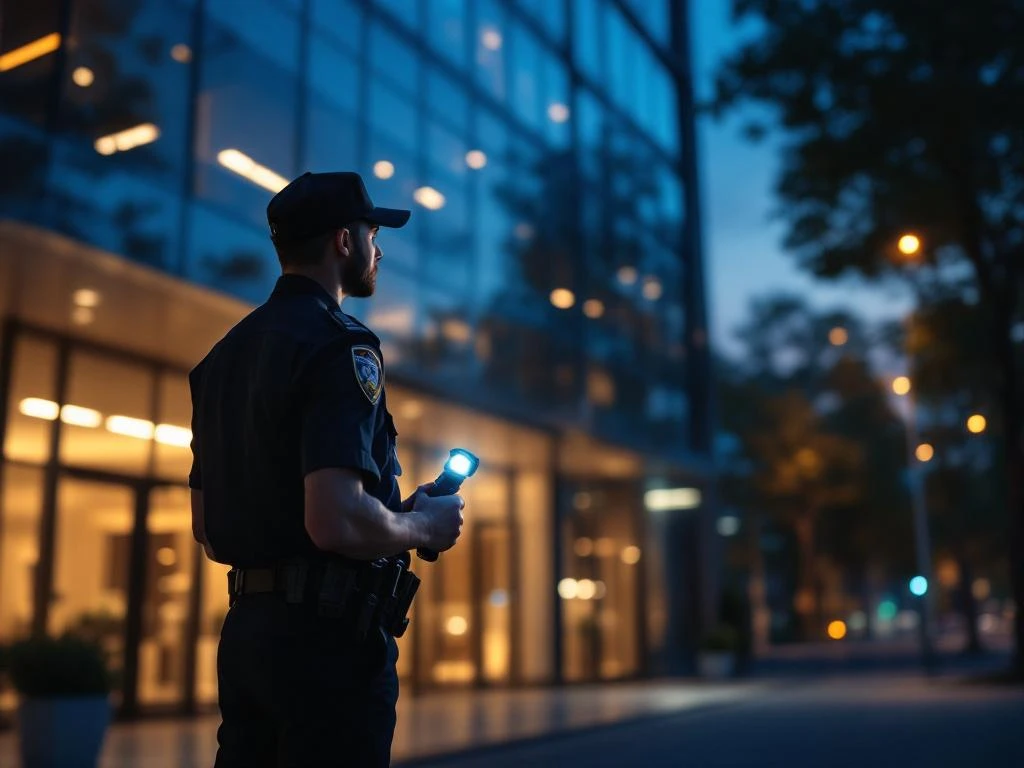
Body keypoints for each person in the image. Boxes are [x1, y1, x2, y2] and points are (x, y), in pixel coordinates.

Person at [188, 171, 465, 767]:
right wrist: (423, 529)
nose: (379, 249)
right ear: (345, 241)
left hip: (247, 640)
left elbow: (208, 530)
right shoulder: (343, 345)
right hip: (329, 647)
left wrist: (388, 513)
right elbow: (334, 523)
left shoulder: (220, 359)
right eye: (372, 233)